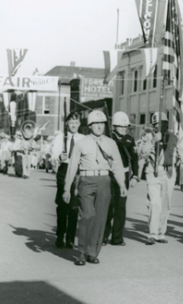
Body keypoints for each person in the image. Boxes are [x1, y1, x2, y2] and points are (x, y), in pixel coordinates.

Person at [62, 110, 126, 266]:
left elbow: (117, 165)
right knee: (87, 216)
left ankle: (93, 252)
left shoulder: (111, 143)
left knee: (100, 218)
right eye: (96, 124)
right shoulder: (81, 143)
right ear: (90, 126)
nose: (99, 126)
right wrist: (67, 188)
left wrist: (122, 184)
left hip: (105, 180)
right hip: (86, 180)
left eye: (102, 123)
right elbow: (72, 167)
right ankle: (82, 252)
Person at [141, 113, 180, 245]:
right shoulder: (147, 136)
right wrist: (153, 141)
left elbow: (180, 154)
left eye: (163, 123)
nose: (160, 126)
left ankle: (161, 232)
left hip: (168, 172)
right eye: (157, 124)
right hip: (153, 171)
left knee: (165, 205)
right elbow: (142, 153)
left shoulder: (173, 137)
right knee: (154, 203)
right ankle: (152, 233)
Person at [103, 111, 139, 247]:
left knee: (120, 207)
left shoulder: (129, 139)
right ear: (114, 126)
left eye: (125, 127)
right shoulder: (108, 138)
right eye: (121, 126)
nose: (124, 129)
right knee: (108, 205)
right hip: (109, 175)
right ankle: (104, 235)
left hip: (123, 176)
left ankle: (117, 237)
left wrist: (135, 175)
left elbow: (134, 158)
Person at [50, 112, 84, 249]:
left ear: (80, 124)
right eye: (71, 123)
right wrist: (59, 157)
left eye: (76, 123)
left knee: (74, 207)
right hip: (64, 170)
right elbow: (53, 156)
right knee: (62, 206)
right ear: (67, 124)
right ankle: (60, 236)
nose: (74, 125)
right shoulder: (60, 138)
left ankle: (70, 238)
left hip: (77, 173)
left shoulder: (83, 138)